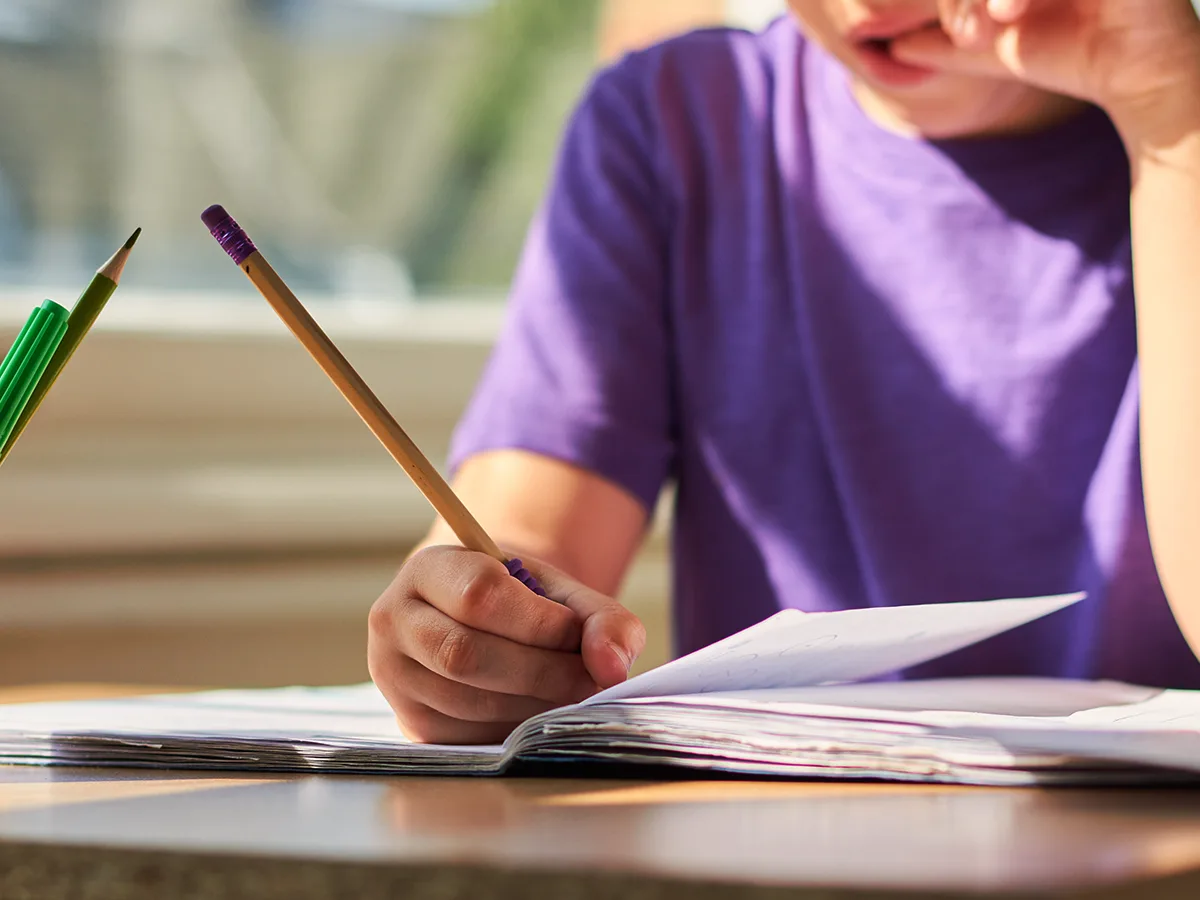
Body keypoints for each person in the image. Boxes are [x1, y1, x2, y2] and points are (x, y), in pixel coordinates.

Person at [367, 0, 1200, 744]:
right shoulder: (675, 126)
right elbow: (527, 541)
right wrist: (469, 628)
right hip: (775, 841)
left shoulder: (1181, 109)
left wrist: (1167, 103)